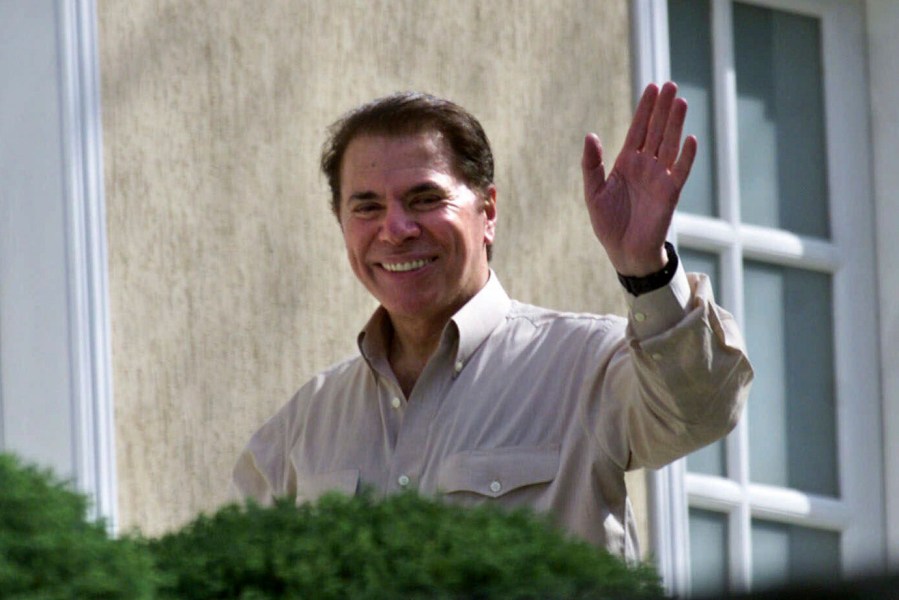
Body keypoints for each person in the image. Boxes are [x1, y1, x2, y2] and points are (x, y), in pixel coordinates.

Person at [232, 82, 753, 559]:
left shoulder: (584, 367)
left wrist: (646, 269)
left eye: (424, 198)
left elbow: (702, 409)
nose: (395, 228)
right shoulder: (302, 431)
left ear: (489, 210)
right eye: (366, 207)